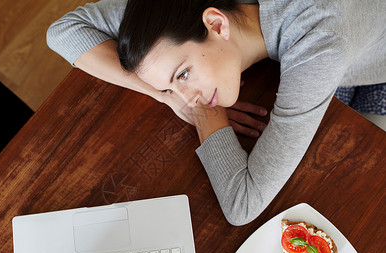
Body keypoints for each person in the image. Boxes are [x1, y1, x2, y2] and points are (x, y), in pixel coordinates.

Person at [47, 0, 386, 225]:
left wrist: (206, 116)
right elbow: (64, 32)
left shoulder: (319, 45)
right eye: (172, 86)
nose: (187, 99)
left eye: (183, 74)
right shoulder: (180, 11)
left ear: (216, 23)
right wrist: (166, 95)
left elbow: (243, 204)